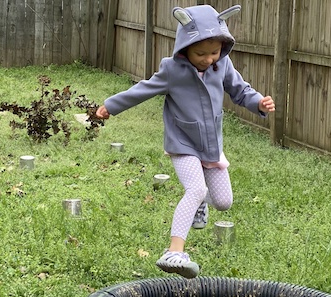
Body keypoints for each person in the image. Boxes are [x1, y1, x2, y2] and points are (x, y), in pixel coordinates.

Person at [96, 4, 275, 278]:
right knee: (194, 189)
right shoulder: (173, 70)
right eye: (200, 53)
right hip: (183, 144)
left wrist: (259, 103)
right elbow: (142, 90)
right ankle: (174, 251)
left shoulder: (222, 65)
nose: (207, 59)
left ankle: (200, 202)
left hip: (211, 146)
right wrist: (111, 106)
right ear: (185, 48)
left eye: (214, 52)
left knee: (224, 201)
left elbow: (240, 90)